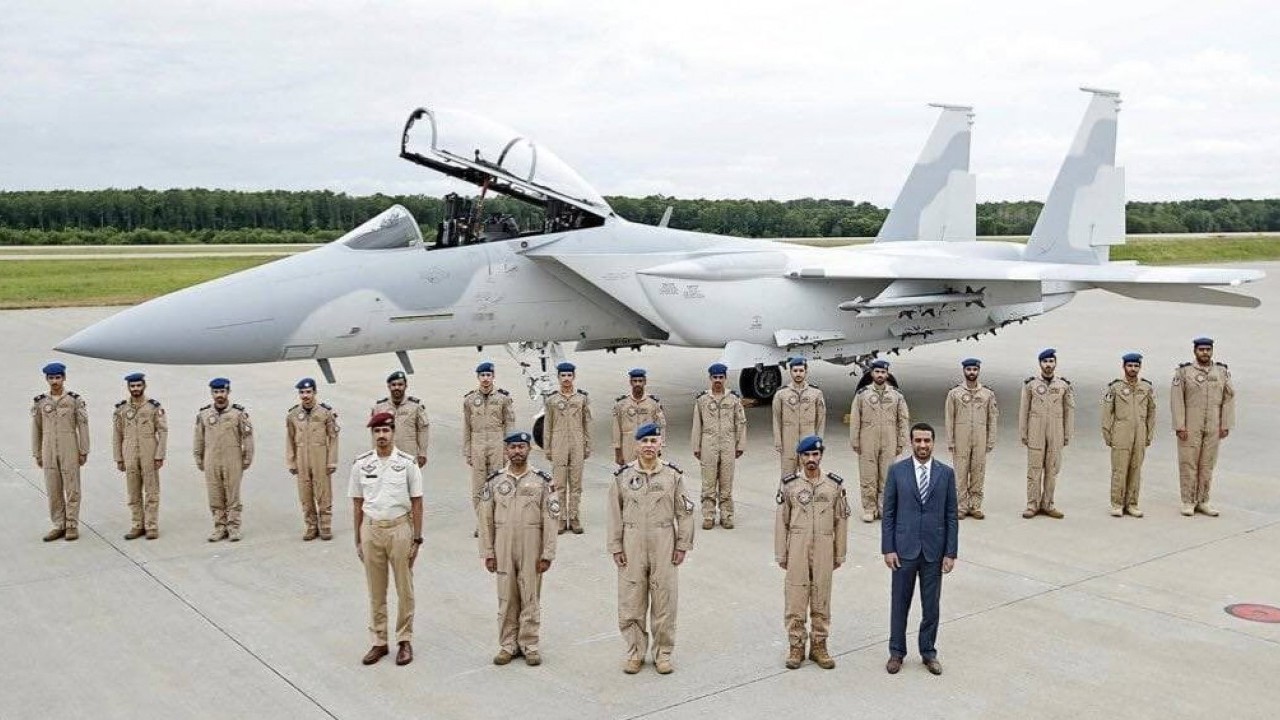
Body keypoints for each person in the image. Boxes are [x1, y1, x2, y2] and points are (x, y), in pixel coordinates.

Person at [607, 423, 696, 675]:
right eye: (644, 441)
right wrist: (615, 546)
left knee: (665, 600)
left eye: (653, 441)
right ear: (636, 445)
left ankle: (663, 653)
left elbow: (686, 512)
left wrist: (682, 545)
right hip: (632, 540)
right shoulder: (623, 477)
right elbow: (614, 513)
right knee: (631, 600)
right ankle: (635, 652)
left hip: (663, 540)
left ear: (660, 445)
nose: (648, 446)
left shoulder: (673, 476)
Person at [882, 422, 958, 676]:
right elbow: (889, 513)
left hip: (933, 552)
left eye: (927, 441)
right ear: (910, 442)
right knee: (899, 603)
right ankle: (896, 652)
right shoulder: (897, 471)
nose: (922, 445)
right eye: (918, 441)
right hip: (903, 550)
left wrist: (950, 552)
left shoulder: (946, 474)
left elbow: (951, 515)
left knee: (931, 607)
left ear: (933, 443)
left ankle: (928, 652)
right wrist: (888, 548)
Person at [478, 431, 559, 667]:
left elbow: (552, 518)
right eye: (512, 447)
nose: (517, 451)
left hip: (532, 546)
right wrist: (488, 552)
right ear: (506, 451)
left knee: (530, 597)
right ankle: (507, 645)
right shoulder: (494, 482)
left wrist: (548, 553)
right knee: (506, 598)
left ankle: (529, 645)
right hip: (503, 545)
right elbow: (485, 519)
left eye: (521, 447)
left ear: (529, 449)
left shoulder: (543, 481)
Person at [350, 412, 424, 667]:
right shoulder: (361, 464)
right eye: (377, 431)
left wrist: (417, 539)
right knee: (375, 589)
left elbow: (417, 502)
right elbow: (357, 503)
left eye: (386, 430)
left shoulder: (407, 464)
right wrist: (358, 538)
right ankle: (379, 641)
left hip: (400, 529)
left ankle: (405, 639)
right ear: (372, 434)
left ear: (393, 432)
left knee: (405, 588)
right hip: (371, 530)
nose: (381, 435)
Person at [775, 435, 850, 670]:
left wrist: (839, 554)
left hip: (824, 548)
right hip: (797, 546)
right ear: (799, 457)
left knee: (821, 595)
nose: (811, 459)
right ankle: (796, 646)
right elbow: (781, 522)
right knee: (796, 598)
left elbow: (841, 521)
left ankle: (819, 645)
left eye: (815, 455)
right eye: (806, 455)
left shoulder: (834, 485)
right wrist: (781, 554)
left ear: (821, 456)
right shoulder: (790, 486)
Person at [1171, 337, 1235, 517]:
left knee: (1207, 464)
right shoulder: (1184, 372)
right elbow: (1177, 400)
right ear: (1195, 351)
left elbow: (1228, 398)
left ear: (1212, 351)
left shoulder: (1221, 372)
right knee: (1188, 463)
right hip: (1191, 424)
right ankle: (1188, 501)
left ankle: (1203, 500)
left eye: (1208, 349)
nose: (1205, 352)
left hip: (1213, 425)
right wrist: (1180, 425)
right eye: (1201, 349)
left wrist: (1225, 424)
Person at [32, 362, 89, 542]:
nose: (55, 381)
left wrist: (83, 449)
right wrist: (37, 452)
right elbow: (36, 429)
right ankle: (58, 524)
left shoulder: (74, 400)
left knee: (72, 487)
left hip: (69, 447)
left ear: (64, 378)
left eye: (58, 377)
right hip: (48, 449)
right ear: (47, 379)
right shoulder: (41, 402)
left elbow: (83, 426)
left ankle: (71, 524)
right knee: (53, 488)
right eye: (51, 378)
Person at [194, 378, 255, 541]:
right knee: (215, 494)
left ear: (228, 392)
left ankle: (233, 527)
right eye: (216, 392)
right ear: (211, 393)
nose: (219, 395)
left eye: (222, 391)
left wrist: (247, 457)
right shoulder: (204, 414)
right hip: (211, 459)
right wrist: (198, 457)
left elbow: (247, 437)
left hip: (232, 458)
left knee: (232, 494)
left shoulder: (238, 413)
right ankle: (219, 527)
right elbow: (199, 438)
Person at [849, 359, 910, 522]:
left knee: (887, 476)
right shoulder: (862, 395)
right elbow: (855, 419)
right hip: (867, 438)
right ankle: (869, 508)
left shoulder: (896, 396)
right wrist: (855, 440)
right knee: (868, 475)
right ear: (872, 374)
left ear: (887, 374)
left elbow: (903, 419)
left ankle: (885, 508)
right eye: (877, 372)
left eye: (883, 372)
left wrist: (901, 441)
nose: (880, 375)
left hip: (889, 439)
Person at [1019, 349, 1075, 519]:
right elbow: (1024, 409)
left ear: (1055, 363)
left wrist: (1067, 433)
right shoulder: (1031, 385)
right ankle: (1032, 505)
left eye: (1051, 361)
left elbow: (1069, 410)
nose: (1048, 365)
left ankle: (1048, 504)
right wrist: (1024, 432)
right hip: (1036, 431)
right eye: (1045, 362)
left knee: (1052, 470)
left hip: (1056, 432)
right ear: (1040, 364)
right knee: (1034, 470)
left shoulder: (1063, 385)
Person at [112, 372, 168, 540]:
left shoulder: (153, 407)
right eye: (132, 386)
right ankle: (137, 524)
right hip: (129, 452)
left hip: (148, 450)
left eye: (138, 385)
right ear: (128, 387)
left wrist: (160, 455)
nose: (135, 389)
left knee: (151, 490)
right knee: (133, 491)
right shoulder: (121, 409)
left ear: (144, 386)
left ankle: (151, 525)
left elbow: (163, 431)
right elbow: (117, 434)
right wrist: (119, 458)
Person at [691, 363, 746, 530]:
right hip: (708, 444)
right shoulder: (702, 400)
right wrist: (696, 446)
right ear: (710, 379)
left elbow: (741, 422)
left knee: (726, 482)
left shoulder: (734, 399)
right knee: (708, 483)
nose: (718, 381)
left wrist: (740, 444)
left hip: (728, 444)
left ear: (725, 378)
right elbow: (697, 424)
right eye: (715, 377)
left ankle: (726, 515)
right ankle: (708, 516)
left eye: (721, 377)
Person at [1102, 353, 1156, 518]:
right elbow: (1106, 413)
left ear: (1140, 367)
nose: (1133, 369)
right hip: (1121, 431)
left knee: (1136, 469)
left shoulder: (1146, 388)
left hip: (1140, 432)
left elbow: (1152, 412)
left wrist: (1149, 434)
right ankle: (1117, 504)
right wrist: (1107, 433)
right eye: (1130, 366)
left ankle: (1132, 503)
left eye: (1136, 366)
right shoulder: (1115, 388)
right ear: (1124, 367)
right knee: (1119, 469)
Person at [944, 358, 998, 519]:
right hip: (961, 438)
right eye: (969, 370)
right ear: (964, 371)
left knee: (978, 471)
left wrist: (991, 440)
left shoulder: (987, 394)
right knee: (960, 473)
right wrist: (950, 440)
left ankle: (975, 505)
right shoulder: (954, 393)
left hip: (980, 438)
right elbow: (949, 418)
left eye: (974, 369)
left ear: (978, 371)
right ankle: (961, 506)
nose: (972, 373)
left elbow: (993, 418)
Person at [464, 361, 515, 529]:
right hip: (477, 445)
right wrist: (467, 450)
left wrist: (509, 448)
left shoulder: (503, 398)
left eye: (488, 375)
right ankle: (483, 523)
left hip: (497, 444)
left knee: (498, 484)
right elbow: (467, 426)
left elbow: (509, 423)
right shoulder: (470, 400)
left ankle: (498, 521)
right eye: (482, 375)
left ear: (493, 377)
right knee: (479, 487)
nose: (485, 379)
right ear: (478, 377)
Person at [287, 378, 340, 540]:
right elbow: (290, 438)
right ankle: (311, 526)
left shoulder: (325, 413)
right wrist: (291, 461)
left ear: (315, 392)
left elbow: (333, 437)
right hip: (302, 459)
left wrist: (332, 460)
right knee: (305, 493)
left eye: (308, 392)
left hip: (320, 458)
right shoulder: (293, 414)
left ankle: (325, 525)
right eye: (302, 392)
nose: (305, 396)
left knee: (323, 492)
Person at [544, 362, 591, 534]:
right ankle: (562, 519)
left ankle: (575, 517)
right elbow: (547, 426)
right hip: (559, 444)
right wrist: (547, 448)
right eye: (563, 376)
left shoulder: (582, 399)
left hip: (577, 443)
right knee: (559, 485)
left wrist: (587, 444)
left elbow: (586, 423)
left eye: (569, 375)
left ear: (574, 377)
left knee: (576, 484)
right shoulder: (552, 400)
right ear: (558, 378)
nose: (566, 379)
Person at [772, 358, 826, 477]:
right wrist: (778, 440)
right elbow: (776, 418)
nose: (798, 374)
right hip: (788, 439)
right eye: (795, 370)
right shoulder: (781, 394)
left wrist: (819, 440)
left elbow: (821, 418)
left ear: (806, 372)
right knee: (787, 474)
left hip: (809, 437)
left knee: (809, 473)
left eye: (801, 370)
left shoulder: (815, 393)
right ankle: (786, 496)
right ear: (790, 372)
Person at [371, 371, 429, 468]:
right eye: (393, 385)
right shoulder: (380, 407)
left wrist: (422, 453)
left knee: (410, 482)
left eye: (400, 384)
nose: (397, 387)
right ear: (389, 386)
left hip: (409, 456)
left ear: (406, 386)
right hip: (386, 456)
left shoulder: (415, 406)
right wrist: (374, 453)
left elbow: (423, 430)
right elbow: (374, 433)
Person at [612, 368, 666, 466]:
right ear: (630, 382)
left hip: (648, 444)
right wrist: (618, 451)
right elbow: (616, 428)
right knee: (627, 475)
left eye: (640, 381)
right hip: (628, 445)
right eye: (635, 381)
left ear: (645, 382)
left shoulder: (653, 403)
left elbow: (661, 425)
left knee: (648, 473)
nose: (637, 384)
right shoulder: (621, 404)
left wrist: (659, 446)